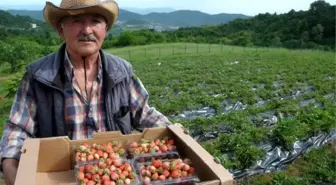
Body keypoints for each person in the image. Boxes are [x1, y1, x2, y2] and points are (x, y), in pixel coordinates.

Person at [0, 0, 174, 184]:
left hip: (116, 174)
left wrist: (178, 134)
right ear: (61, 30)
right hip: (61, 177)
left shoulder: (122, 73)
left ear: (105, 29)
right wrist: (11, 168)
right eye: (76, 21)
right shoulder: (38, 77)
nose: (87, 30)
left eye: (95, 21)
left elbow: (145, 114)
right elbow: (17, 131)